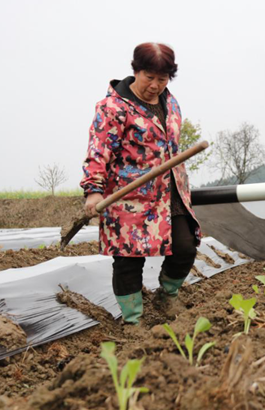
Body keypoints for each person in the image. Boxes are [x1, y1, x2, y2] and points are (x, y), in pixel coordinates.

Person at [80, 42, 201, 326]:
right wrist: (93, 192)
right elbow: (98, 152)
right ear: (136, 71)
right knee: (128, 261)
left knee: (185, 247)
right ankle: (133, 321)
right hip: (129, 197)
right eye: (150, 77)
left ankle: (168, 295)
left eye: (162, 79)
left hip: (170, 191)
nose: (155, 85)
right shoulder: (113, 108)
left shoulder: (170, 102)